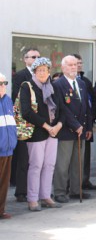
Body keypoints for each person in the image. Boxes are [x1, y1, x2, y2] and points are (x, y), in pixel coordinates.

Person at [20, 58, 65, 211]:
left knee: (49, 165)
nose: (42, 72)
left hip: (54, 132)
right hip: (37, 132)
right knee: (36, 165)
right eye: (39, 70)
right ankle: (32, 199)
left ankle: (46, 196)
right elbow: (26, 112)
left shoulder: (53, 87)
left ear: (49, 71)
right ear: (34, 71)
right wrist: (46, 126)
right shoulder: (27, 86)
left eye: (44, 70)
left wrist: (58, 125)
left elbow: (62, 109)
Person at [52, 55, 93, 203]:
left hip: (81, 130)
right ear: (63, 68)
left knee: (78, 163)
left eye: (75, 64)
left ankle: (76, 190)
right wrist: (75, 125)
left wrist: (88, 126)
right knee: (63, 164)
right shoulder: (58, 85)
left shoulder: (81, 83)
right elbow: (61, 108)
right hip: (66, 130)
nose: (73, 67)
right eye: (69, 65)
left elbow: (86, 106)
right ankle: (59, 192)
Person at [10, 47, 40, 203]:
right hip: (24, 123)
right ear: (25, 59)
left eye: (38, 57)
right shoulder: (21, 75)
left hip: (40, 124)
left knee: (37, 160)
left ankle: (35, 190)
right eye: (33, 57)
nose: (36, 59)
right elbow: (17, 97)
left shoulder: (42, 75)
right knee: (23, 159)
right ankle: (21, 192)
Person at [73, 53, 96, 191]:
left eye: (80, 62)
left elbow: (93, 102)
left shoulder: (86, 81)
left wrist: (92, 120)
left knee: (86, 154)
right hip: (73, 125)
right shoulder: (64, 80)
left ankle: (85, 180)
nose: (79, 65)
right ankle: (73, 184)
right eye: (76, 62)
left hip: (87, 123)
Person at [0, 73, 17, 219]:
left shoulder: (7, 100)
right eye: (0, 83)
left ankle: (1, 210)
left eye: (4, 83)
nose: (3, 86)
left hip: (8, 149)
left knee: (4, 183)